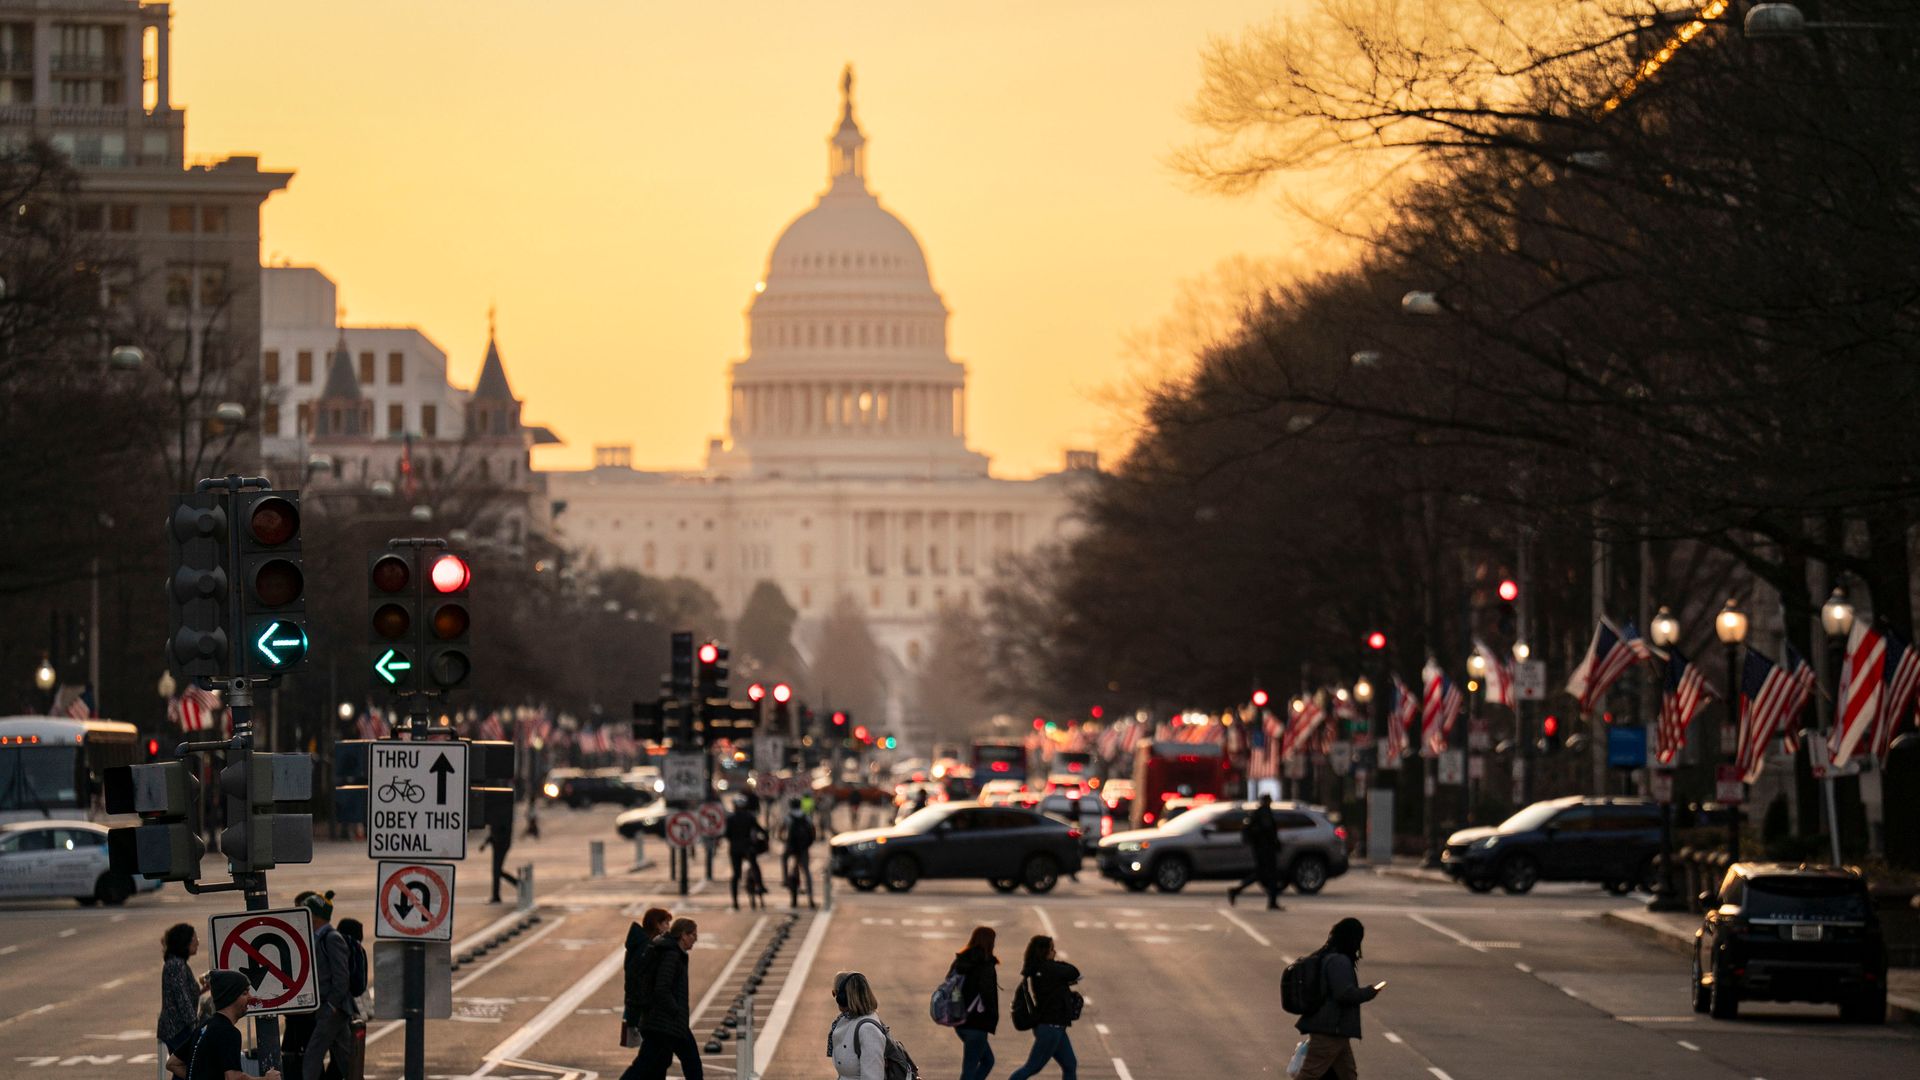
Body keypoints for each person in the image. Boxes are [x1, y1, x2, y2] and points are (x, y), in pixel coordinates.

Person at [1294, 918, 1381, 1080]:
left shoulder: (1329, 956)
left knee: (1348, 1075)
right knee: (1310, 1075)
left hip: (1336, 1031)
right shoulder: (1338, 961)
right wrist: (1370, 992)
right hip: (1330, 1030)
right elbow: (1344, 994)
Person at [625, 918, 702, 1080]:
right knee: (691, 1063)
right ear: (683, 935)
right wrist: (675, 1011)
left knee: (654, 1065)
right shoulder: (671, 955)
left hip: (663, 1023)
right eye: (693, 935)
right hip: (666, 1023)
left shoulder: (672, 952)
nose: (696, 939)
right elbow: (662, 988)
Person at [169, 970, 280, 1080]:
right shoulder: (229, 1032)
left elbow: (173, 1063)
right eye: (244, 993)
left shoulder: (205, 1026)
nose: (250, 997)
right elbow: (233, 1077)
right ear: (231, 997)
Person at [1006, 935, 1080, 1080]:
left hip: (1055, 1026)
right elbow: (1074, 972)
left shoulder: (1039, 968)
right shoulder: (1047, 969)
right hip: (1050, 1027)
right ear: (1044, 951)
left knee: (1070, 1064)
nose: (1055, 952)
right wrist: (1059, 964)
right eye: (1052, 949)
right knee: (1032, 1067)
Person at [302, 891, 354, 1080]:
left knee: (312, 1056)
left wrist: (331, 1005)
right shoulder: (318, 937)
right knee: (346, 1058)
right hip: (328, 1008)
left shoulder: (331, 938)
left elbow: (341, 977)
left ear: (315, 915)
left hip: (332, 1009)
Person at [620, 906, 674, 1054]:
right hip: (646, 1010)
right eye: (666, 923)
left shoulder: (645, 945)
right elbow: (638, 979)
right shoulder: (646, 948)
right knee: (655, 1055)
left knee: (655, 1056)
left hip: (645, 1009)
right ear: (657, 925)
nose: (668, 928)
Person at [949, 927, 1000, 1080]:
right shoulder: (985, 964)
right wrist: (992, 1019)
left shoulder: (960, 960)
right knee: (969, 1069)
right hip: (977, 1023)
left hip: (960, 1021)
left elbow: (949, 984)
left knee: (987, 1061)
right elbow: (988, 995)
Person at [157, 924, 203, 1080]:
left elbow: (185, 993)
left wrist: (203, 989)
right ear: (185, 942)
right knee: (185, 1067)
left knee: (184, 1068)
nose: (197, 942)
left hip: (178, 1026)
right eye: (194, 938)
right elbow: (181, 998)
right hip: (177, 1027)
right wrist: (195, 1025)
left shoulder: (178, 963)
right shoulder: (176, 964)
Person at [827, 971, 889, 1080]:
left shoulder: (868, 1030)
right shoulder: (844, 1020)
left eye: (835, 994)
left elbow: (873, 1077)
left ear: (843, 997)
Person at [1228, 795, 1285, 910]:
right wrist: (1275, 843)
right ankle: (1271, 901)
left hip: (1262, 848)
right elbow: (1268, 830)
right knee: (1269, 875)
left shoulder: (1258, 813)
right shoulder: (1263, 813)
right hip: (1265, 849)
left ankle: (1237, 891)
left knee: (1263, 875)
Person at [725, 798, 765, 911]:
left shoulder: (731, 819)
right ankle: (760, 886)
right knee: (755, 866)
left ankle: (735, 901)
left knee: (736, 875)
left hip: (735, 849)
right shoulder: (750, 817)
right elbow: (759, 829)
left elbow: (727, 834)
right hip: (748, 848)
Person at [782, 798, 816, 909]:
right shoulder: (806, 816)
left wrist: (784, 841)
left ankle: (785, 878)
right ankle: (810, 898)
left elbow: (780, 831)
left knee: (784, 859)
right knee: (806, 871)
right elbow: (813, 831)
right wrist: (808, 843)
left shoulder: (788, 817)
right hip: (803, 847)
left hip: (791, 847)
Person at [481, 811, 520, 903]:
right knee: (496, 871)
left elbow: (500, 832)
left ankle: (516, 884)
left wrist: (492, 841)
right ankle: (497, 895)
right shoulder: (496, 815)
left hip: (501, 845)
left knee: (496, 871)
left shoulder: (503, 815)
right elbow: (493, 833)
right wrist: (485, 843)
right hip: (498, 845)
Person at [335, 918, 369, 1018]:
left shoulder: (335, 946)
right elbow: (359, 985)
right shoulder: (357, 948)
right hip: (350, 1005)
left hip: (335, 1005)